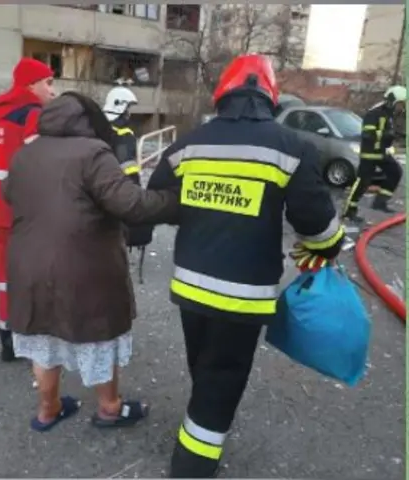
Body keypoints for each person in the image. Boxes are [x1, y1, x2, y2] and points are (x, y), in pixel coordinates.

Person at [147, 54, 345, 478]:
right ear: (269, 97)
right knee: (223, 373)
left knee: (203, 363)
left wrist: (202, 207)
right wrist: (329, 247)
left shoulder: (189, 143)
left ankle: (200, 420)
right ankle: (193, 464)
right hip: (243, 294)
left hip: (190, 286)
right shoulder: (293, 147)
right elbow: (315, 223)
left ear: (223, 93)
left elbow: (157, 199)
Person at [2, 92, 179, 432]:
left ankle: (48, 409)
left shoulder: (25, 153)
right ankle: (110, 408)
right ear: (90, 120)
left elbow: (7, 194)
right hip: (83, 268)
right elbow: (132, 205)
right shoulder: (94, 153)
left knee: (43, 339)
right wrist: (175, 200)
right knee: (99, 335)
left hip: (28, 266)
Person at [0, 57, 56, 362]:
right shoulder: (32, 114)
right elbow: (43, 167)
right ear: (31, 85)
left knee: (4, 278)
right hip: (20, 216)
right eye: (48, 82)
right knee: (32, 278)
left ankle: (7, 340)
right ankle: (31, 342)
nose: (53, 90)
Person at [103, 85, 154, 282]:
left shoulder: (96, 125)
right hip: (118, 188)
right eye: (128, 109)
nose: (129, 113)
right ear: (121, 107)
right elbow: (128, 166)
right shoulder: (123, 133)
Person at [343, 85, 406, 224]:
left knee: (396, 171)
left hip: (381, 153)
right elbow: (367, 135)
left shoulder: (388, 115)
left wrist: (394, 136)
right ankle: (349, 211)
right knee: (363, 182)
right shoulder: (374, 113)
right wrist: (385, 134)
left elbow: (388, 135)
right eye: (401, 104)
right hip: (369, 154)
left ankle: (380, 202)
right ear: (392, 100)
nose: (402, 108)